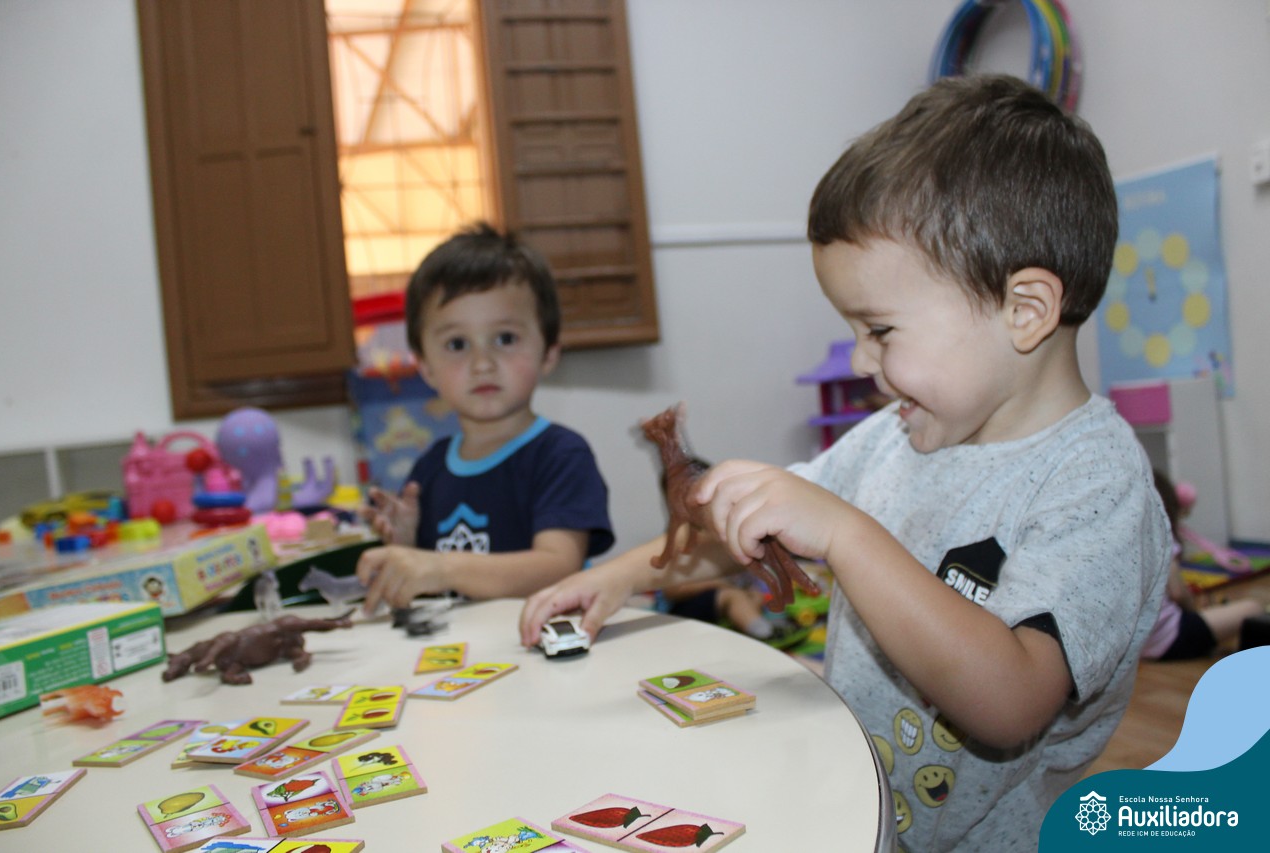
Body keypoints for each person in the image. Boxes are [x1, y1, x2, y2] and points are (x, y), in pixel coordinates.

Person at [520, 74, 1170, 851]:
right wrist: (621, 577)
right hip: (862, 814)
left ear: (1024, 310)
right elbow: (756, 536)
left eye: (881, 330)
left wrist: (847, 533)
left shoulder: (1097, 484)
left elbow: (1011, 703)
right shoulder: (896, 435)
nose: (862, 360)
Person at [357, 223, 614, 613]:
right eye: (457, 344)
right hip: (465, 649)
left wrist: (442, 568)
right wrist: (406, 544)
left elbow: (559, 566)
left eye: (505, 338)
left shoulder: (561, 454)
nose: (482, 363)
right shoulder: (429, 468)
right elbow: (430, 585)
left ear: (548, 353)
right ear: (425, 368)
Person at [1141, 470, 1263, 660]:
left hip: (1136, 647)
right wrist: (1195, 612)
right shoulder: (1160, 537)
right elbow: (1178, 593)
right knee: (1254, 608)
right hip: (1169, 641)